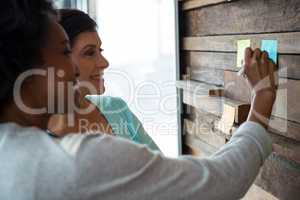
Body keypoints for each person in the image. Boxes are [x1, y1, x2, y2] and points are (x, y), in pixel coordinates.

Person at [0, 0, 277, 199]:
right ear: (24, 63)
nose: (101, 63)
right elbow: (217, 185)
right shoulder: (72, 163)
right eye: (64, 52)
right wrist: (263, 97)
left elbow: (168, 177)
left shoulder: (12, 154)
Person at [48, 9, 160, 151]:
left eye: (100, 51)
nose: (104, 63)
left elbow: (166, 169)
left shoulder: (116, 109)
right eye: (89, 53)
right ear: (60, 60)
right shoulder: (37, 137)